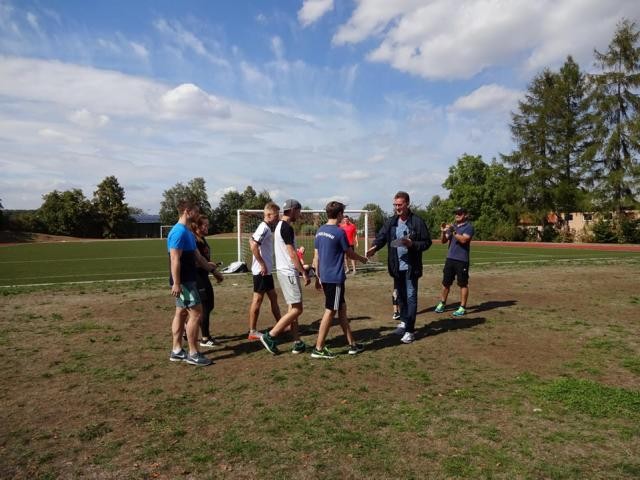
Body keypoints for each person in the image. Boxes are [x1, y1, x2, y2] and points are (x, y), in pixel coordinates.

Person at [366, 191, 432, 344]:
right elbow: (382, 237)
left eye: (400, 205)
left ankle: (410, 331)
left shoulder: (417, 222)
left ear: (407, 204)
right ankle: (403, 322)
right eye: (395, 205)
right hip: (396, 267)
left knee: (411, 297)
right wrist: (374, 247)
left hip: (411, 267)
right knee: (400, 297)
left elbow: (426, 242)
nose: (397, 208)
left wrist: (412, 244)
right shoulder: (391, 221)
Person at [311, 201, 368, 359]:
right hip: (334, 279)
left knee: (342, 310)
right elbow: (349, 253)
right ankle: (318, 348)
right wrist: (362, 259)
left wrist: (317, 277)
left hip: (325, 277)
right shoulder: (339, 232)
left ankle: (352, 345)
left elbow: (316, 257)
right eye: (343, 213)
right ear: (340, 214)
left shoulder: (320, 231)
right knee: (330, 310)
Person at [167, 200, 218, 366]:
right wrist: (177, 283)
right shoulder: (178, 232)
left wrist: (209, 267)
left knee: (181, 313)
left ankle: (176, 351)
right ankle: (193, 353)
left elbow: (197, 256)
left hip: (188, 280)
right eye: (195, 211)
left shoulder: (188, 232)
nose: (197, 214)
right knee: (196, 314)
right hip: (184, 282)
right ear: (187, 211)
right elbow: (175, 259)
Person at [259, 199, 311, 355]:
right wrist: (303, 272)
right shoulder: (286, 227)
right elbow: (292, 253)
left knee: (292, 308)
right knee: (297, 309)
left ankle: (297, 342)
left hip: (284, 271)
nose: (299, 215)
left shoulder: (280, 226)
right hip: (288, 272)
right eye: (299, 211)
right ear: (293, 210)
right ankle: (270, 336)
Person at [247, 202, 282, 341]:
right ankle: (252, 331)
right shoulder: (264, 228)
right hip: (261, 272)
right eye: (276, 215)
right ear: (268, 215)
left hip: (266, 271)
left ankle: (281, 325)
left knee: (273, 297)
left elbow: (251, 240)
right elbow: (253, 246)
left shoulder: (264, 227)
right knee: (257, 300)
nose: (278, 218)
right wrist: (262, 264)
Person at [435, 207, 474, 317]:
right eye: (456, 213)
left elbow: (463, 240)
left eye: (459, 213)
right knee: (446, 283)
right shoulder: (453, 226)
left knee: (463, 284)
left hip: (462, 260)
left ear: (465, 215)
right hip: (450, 259)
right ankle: (442, 303)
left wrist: (453, 231)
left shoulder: (469, 227)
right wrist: (443, 232)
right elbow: (443, 241)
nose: (457, 215)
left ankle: (462, 307)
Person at [192, 214, 224, 348]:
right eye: (204, 225)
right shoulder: (194, 240)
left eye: (207, 225)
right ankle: (205, 338)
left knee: (208, 306)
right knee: (205, 307)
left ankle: (188, 328)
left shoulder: (202, 239)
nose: (207, 227)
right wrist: (210, 266)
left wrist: (213, 270)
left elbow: (205, 259)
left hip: (204, 276)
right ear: (197, 226)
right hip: (198, 278)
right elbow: (195, 261)